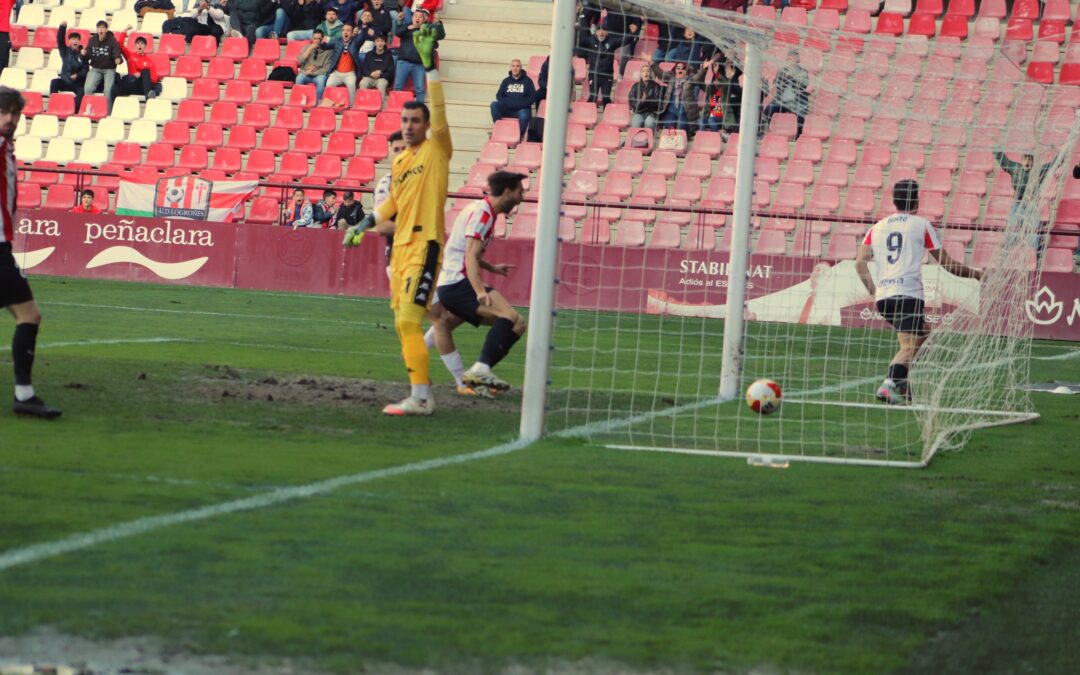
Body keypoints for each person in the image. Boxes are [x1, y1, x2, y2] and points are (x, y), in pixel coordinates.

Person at [343, 23, 448, 416]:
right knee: (404, 324)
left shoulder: (436, 151)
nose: (409, 125)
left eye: (415, 121)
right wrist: (362, 224)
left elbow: (438, 112)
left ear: (425, 126)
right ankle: (420, 393)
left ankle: (422, 397)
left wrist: (429, 67)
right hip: (401, 248)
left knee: (410, 317)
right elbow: (391, 207)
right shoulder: (402, 161)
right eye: (405, 121)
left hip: (425, 244)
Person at [855, 180, 982, 405]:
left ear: (894, 201)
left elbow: (859, 263)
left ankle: (903, 385)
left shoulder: (878, 226)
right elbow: (948, 265)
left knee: (923, 337)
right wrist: (976, 275)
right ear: (916, 200)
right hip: (908, 293)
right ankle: (889, 384)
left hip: (884, 297)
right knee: (910, 346)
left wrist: (874, 291)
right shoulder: (921, 225)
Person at [427, 171, 528, 397]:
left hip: (455, 282)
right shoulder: (482, 213)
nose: (522, 197)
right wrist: (480, 290)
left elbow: (468, 251)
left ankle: (477, 371)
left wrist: (492, 268)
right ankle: (478, 371)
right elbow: (470, 256)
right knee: (508, 316)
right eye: (521, 192)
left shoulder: (485, 213)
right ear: (508, 191)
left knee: (518, 323)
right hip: (457, 282)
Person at [0, 88, 61, 419]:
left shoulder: (7, 148)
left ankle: (25, 395)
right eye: (3, 112)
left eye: (15, 113)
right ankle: (24, 395)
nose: (9, 119)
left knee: (29, 316)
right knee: (29, 315)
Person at [994, 150, 1052, 254]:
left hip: (1031, 204)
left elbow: (1051, 165)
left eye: (1030, 159)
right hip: (1018, 203)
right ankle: (1008, 249)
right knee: (1012, 224)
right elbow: (1003, 160)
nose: (1028, 161)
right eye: (1026, 158)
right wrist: (997, 148)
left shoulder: (1038, 170)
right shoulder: (1015, 167)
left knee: (1035, 225)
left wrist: (1062, 156)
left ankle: (1034, 251)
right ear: (1022, 159)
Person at [373, 130, 407, 278]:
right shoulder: (386, 184)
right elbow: (381, 226)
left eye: (404, 149)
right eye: (396, 150)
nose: (400, 154)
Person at [393, 8, 444, 104]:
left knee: (420, 89)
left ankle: (420, 110)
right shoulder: (406, 28)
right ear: (412, 18)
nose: (417, 18)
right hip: (403, 62)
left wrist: (438, 23)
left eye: (420, 17)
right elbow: (397, 32)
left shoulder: (427, 31)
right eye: (415, 16)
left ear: (424, 19)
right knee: (398, 87)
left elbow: (441, 35)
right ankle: (396, 107)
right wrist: (403, 24)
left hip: (419, 64)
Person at [760, 50, 809, 138]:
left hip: (796, 102)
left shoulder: (803, 71)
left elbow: (804, 86)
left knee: (801, 113)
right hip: (781, 101)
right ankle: (763, 129)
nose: (791, 60)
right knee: (768, 109)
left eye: (794, 58)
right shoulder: (782, 71)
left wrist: (794, 77)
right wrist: (785, 79)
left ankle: (798, 135)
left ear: (798, 60)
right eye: (790, 58)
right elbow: (777, 85)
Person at [110, 30, 162, 111]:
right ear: (135, 45)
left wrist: (141, 75)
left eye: (142, 43)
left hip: (142, 86)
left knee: (145, 72)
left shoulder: (150, 62)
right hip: (131, 83)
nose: (139, 45)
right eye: (138, 43)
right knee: (115, 88)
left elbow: (154, 79)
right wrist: (124, 31)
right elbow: (120, 45)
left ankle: (148, 98)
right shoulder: (130, 56)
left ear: (145, 46)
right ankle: (113, 111)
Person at [490, 59, 535, 140]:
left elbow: (532, 97)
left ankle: (516, 137)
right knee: (494, 105)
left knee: (525, 114)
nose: (515, 68)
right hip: (507, 109)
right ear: (511, 68)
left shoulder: (528, 81)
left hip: (521, 110)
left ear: (520, 68)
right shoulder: (506, 81)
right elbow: (499, 95)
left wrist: (520, 104)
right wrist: (508, 103)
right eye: (513, 66)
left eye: (517, 66)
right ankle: (500, 130)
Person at [50, 23, 89, 115]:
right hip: (65, 81)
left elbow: (86, 70)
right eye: (73, 39)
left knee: (82, 91)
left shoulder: (83, 54)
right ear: (69, 41)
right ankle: (53, 107)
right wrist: (62, 27)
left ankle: (74, 112)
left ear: (79, 42)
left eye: (77, 39)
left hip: (77, 83)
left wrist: (78, 75)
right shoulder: (64, 51)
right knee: (54, 82)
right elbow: (59, 40)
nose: (75, 41)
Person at [582, 26, 625, 107]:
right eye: (599, 30)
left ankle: (608, 117)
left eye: (604, 30)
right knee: (592, 97)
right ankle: (587, 116)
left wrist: (633, 33)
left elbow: (625, 40)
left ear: (607, 32)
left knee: (606, 98)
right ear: (596, 32)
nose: (601, 32)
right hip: (594, 75)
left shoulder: (612, 42)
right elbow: (580, 41)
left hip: (607, 76)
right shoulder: (591, 41)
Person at [82, 21, 123, 100]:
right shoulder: (92, 40)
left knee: (108, 91)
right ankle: (89, 109)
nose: (101, 29)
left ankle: (107, 112)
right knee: (87, 88)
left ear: (106, 30)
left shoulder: (112, 40)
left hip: (109, 69)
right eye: (99, 27)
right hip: (95, 68)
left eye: (103, 27)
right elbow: (88, 53)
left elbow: (116, 52)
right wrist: (84, 53)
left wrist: (118, 59)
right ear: (97, 30)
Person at [701, 59, 742, 135]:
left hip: (722, 118)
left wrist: (717, 74)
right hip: (711, 116)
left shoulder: (725, 91)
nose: (716, 81)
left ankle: (717, 137)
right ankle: (705, 139)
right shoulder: (711, 92)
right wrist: (704, 69)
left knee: (711, 120)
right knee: (701, 121)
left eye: (718, 80)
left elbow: (725, 84)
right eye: (715, 80)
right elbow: (701, 82)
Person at [295, 28, 334, 102]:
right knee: (299, 78)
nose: (316, 41)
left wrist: (313, 72)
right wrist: (310, 49)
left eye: (319, 39)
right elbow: (300, 61)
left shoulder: (328, 51)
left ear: (323, 39)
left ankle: (318, 102)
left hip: (318, 75)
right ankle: (299, 101)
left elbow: (326, 69)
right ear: (312, 38)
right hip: (306, 73)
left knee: (321, 80)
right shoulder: (306, 48)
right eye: (315, 38)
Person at [326, 23, 361, 105]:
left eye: (348, 30)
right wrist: (322, 42)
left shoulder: (355, 43)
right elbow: (325, 46)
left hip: (349, 73)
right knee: (328, 84)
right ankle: (328, 106)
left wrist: (363, 28)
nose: (345, 32)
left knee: (352, 85)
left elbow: (362, 38)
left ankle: (352, 107)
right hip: (336, 73)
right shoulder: (337, 40)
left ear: (352, 34)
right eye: (344, 30)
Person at [628, 63, 664, 131]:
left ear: (650, 73)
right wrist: (642, 101)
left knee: (649, 124)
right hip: (639, 113)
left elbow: (658, 104)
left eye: (648, 71)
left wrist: (647, 99)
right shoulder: (635, 86)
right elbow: (633, 104)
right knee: (635, 124)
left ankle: (649, 141)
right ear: (641, 74)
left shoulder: (656, 86)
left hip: (652, 113)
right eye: (644, 71)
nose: (646, 73)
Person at [358, 32, 394, 100]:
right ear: (374, 42)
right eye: (377, 41)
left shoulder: (389, 56)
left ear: (385, 43)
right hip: (369, 77)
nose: (380, 43)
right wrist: (371, 74)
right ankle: (362, 103)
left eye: (382, 41)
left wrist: (381, 74)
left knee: (382, 84)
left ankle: (381, 107)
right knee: (363, 83)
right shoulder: (369, 54)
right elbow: (363, 69)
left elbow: (391, 73)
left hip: (382, 78)